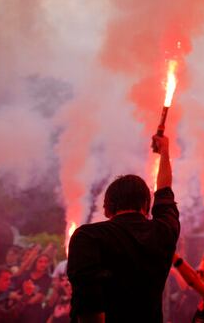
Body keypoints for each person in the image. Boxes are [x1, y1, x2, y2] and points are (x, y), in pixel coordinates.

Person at [67, 134, 180, 322]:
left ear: (107, 208)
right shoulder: (163, 232)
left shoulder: (88, 237)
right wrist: (165, 151)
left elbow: (89, 304)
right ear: (147, 205)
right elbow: (165, 191)